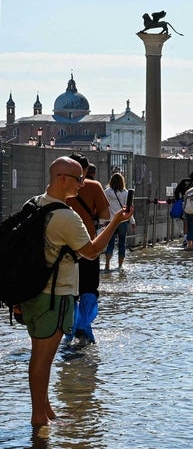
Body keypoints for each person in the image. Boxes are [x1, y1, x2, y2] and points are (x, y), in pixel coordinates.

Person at [22, 156, 132, 426]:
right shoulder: (66, 217)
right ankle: (39, 419)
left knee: (40, 354)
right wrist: (116, 220)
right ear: (62, 179)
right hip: (55, 295)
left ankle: (46, 410)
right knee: (43, 358)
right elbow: (92, 252)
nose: (83, 184)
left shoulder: (33, 204)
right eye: (78, 179)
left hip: (32, 292)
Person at [64, 155, 110, 348]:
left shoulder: (60, 187)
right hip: (88, 245)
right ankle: (85, 326)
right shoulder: (93, 186)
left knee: (68, 290)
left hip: (64, 248)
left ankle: (69, 328)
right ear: (84, 168)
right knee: (89, 288)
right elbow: (106, 214)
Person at [103, 172, 131, 269]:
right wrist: (133, 221)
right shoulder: (125, 193)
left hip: (110, 221)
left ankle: (107, 264)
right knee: (122, 244)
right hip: (122, 221)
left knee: (110, 243)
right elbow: (128, 209)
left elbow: (104, 206)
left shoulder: (107, 192)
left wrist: (103, 220)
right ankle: (120, 266)